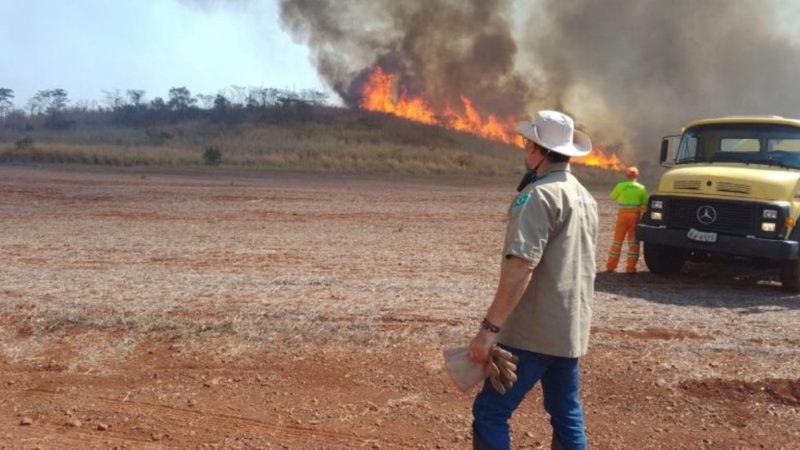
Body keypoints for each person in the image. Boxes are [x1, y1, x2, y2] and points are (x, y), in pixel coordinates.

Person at [469, 110, 598, 450]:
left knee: (491, 411)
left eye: (528, 143)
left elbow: (521, 267)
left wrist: (488, 331)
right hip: (569, 330)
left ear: (537, 150)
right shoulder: (586, 197)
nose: (525, 149)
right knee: (566, 413)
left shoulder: (539, 196)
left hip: (531, 332)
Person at [605, 166, 648, 273]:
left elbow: (612, 197)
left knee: (617, 241)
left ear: (627, 175)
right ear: (637, 176)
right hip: (635, 216)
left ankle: (611, 266)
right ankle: (631, 268)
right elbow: (644, 206)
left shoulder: (621, 185)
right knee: (633, 242)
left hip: (622, 216)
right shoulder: (642, 188)